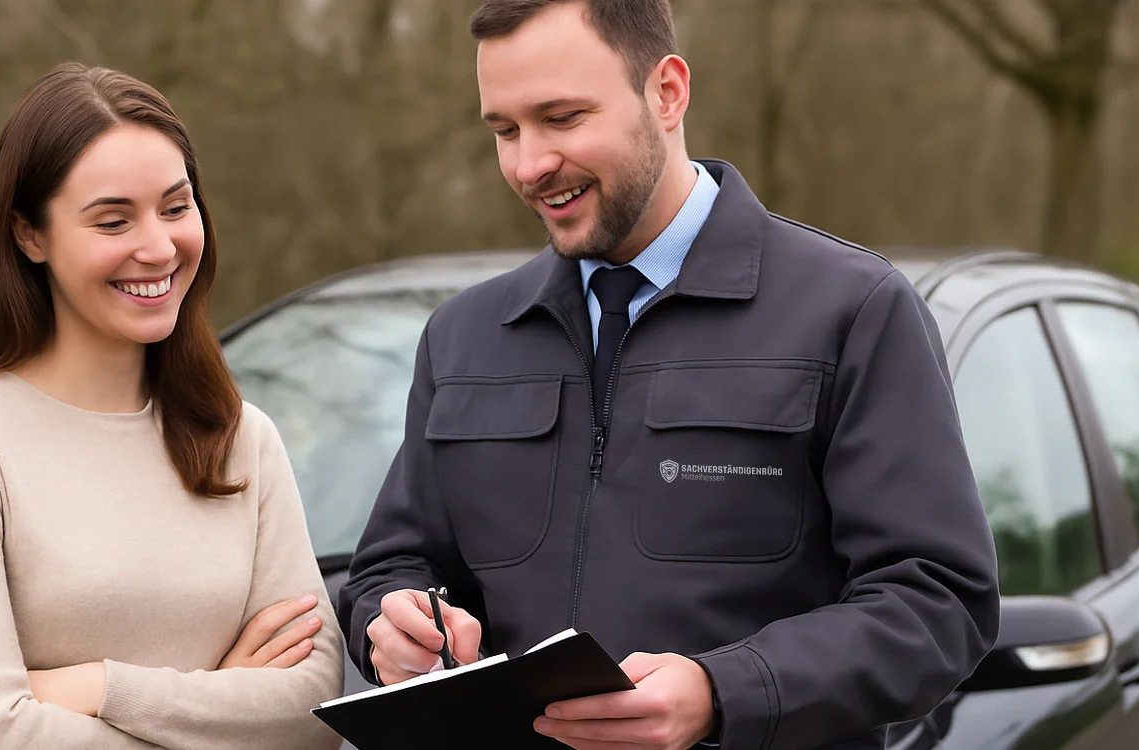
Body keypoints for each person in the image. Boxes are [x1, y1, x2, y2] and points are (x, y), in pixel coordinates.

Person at [337, 1, 1000, 748]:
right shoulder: (463, 338)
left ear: (668, 92)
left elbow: (938, 604)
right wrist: (389, 622)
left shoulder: (852, 311)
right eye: (505, 130)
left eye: (562, 118)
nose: (529, 165)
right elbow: (393, 563)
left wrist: (722, 691)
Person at [0, 63, 344, 750]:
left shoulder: (240, 437)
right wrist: (224, 704)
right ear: (29, 235)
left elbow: (311, 711)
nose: (158, 248)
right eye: (113, 220)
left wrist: (99, 686)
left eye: (175, 207)